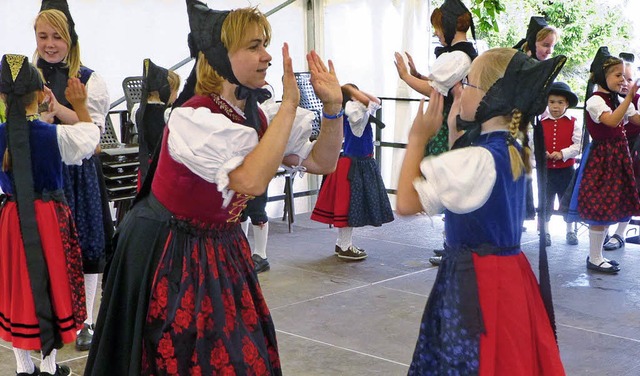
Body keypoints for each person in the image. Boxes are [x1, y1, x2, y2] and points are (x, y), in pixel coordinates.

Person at [84, 1, 344, 375]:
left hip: (222, 247)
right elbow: (250, 180)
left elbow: (323, 162)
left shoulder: (254, 115)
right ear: (222, 55)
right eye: (254, 46)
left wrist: (332, 108)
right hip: (168, 250)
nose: (267, 55)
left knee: (238, 355)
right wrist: (289, 104)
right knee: (177, 356)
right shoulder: (195, 117)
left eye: (265, 44)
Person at [396, 47, 567, 374]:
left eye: (469, 84)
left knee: (473, 358)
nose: (460, 90)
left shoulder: (478, 159)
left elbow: (405, 202)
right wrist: (451, 129)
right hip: (510, 276)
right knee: (506, 354)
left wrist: (417, 138)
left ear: (492, 96)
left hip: (476, 281)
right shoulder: (511, 147)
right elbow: (463, 187)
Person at [0, 54, 100, 376]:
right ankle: (48, 366)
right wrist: (79, 105)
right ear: (41, 93)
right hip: (48, 220)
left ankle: (22, 366)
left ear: (2, 97)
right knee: (51, 286)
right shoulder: (53, 135)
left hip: (12, 220)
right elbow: (90, 138)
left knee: (18, 289)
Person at [34, 0, 111, 351]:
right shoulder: (23, 76)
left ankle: (87, 322)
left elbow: (94, 143)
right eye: (42, 36)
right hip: (41, 173)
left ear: (70, 39)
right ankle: (47, 317)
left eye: (57, 37)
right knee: (43, 247)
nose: (49, 44)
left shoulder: (90, 80)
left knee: (87, 246)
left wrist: (59, 107)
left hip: (79, 176)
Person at [394, 0, 478, 266]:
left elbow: (434, 89)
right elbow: (436, 83)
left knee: (447, 182)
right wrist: (417, 74)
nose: (436, 34)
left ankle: (454, 243)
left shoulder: (457, 56)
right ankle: (451, 242)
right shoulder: (460, 54)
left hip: (450, 124)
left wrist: (407, 77)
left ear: (451, 26)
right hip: (452, 121)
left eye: (438, 28)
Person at [567, 46, 640, 274]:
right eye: (617, 75)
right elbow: (610, 121)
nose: (622, 79)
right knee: (600, 206)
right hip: (603, 159)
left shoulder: (617, 99)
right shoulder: (595, 101)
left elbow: (636, 119)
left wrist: (626, 99)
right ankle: (595, 257)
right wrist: (629, 97)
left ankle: (597, 255)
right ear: (602, 76)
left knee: (610, 205)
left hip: (617, 157)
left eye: (623, 75)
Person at [310, 83, 393, 260]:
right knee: (348, 208)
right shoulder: (353, 110)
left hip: (355, 163)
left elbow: (375, 102)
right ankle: (345, 245)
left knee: (348, 207)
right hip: (353, 165)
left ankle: (342, 243)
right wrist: (350, 91)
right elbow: (372, 101)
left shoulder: (353, 108)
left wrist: (350, 90)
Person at [516, 16, 561, 226]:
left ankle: (517, 217)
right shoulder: (520, 63)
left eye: (551, 47)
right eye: (545, 45)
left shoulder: (536, 65)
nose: (549, 51)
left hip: (522, 127)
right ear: (533, 41)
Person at [602, 54, 640, 250]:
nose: (625, 83)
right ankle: (604, 231)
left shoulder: (634, 101)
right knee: (608, 191)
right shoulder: (606, 100)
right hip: (611, 150)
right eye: (621, 77)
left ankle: (620, 233)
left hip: (634, 149)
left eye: (629, 79)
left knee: (628, 191)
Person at [541, 81, 581, 246]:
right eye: (551, 102)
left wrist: (563, 153)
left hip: (566, 170)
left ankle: (570, 231)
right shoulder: (541, 123)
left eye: (560, 102)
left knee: (567, 201)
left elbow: (578, 145)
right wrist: (542, 154)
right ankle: (545, 231)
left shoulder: (573, 122)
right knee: (545, 202)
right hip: (547, 172)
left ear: (567, 104)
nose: (555, 106)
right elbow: (533, 143)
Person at [131, 59, 181, 186]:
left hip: (145, 164)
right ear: (166, 90)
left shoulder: (137, 110)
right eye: (176, 91)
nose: (176, 95)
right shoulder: (167, 114)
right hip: (162, 165)